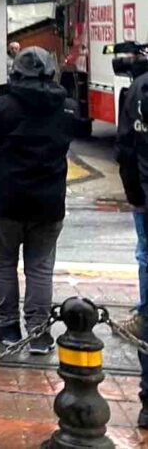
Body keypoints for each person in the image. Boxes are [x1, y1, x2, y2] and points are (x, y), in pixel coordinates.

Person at [0, 46, 76, 354]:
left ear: (16, 72)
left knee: (3, 263)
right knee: (40, 268)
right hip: (48, 202)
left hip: (5, 200)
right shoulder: (65, 107)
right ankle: (39, 333)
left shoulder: (6, 106)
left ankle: (8, 326)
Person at [115, 53, 148, 342]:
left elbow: (127, 147)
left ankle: (145, 320)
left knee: (146, 254)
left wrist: (134, 194)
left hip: (146, 192)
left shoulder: (140, 89)